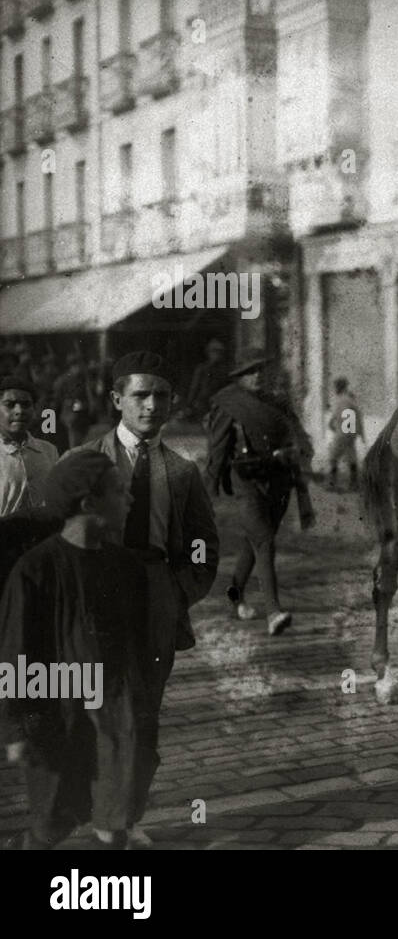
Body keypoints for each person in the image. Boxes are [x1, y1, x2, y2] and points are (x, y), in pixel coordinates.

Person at [70, 350, 219, 845]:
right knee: (109, 713)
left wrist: (179, 593)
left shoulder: (181, 471)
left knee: (146, 715)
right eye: (140, 395)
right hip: (98, 600)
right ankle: (105, 813)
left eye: (160, 396)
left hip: (156, 595)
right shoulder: (85, 462)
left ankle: (126, 816)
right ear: (117, 400)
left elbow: (202, 543)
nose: (151, 405)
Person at [1, 451, 150, 850]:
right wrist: (16, 727)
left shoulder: (125, 566)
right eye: (119, 492)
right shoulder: (34, 570)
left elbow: (138, 641)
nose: (129, 500)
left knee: (115, 807)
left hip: (114, 706)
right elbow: (15, 653)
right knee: (53, 817)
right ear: (88, 503)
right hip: (55, 705)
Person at [206, 348, 315, 635]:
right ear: (239, 378)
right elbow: (217, 451)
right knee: (264, 541)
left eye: (259, 370)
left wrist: (296, 451)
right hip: (247, 482)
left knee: (255, 542)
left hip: (279, 482)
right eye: (249, 372)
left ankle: (234, 593)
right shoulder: (228, 404)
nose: (256, 376)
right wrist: (207, 493)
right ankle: (274, 612)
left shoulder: (278, 402)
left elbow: (301, 438)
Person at [0, 375, 60, 517]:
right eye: (10, 404)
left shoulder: (48, 450)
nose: (19, 411)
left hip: (43, 535)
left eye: (26, 404)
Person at [327, 377, 365, 491]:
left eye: (336, 386)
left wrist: (333, 426)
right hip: (350, 432)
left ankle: (332, 483)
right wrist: (360, 434)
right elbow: (358, 417)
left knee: (333, 457)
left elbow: (336, 417)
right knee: (351, 457)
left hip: (343, 432)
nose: (335, 389)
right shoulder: (350, 400)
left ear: (340, 387)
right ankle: (354, 484)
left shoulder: (340, 400)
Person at [52, 352, 93, 450]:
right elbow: (57, 397)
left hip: (82, 413)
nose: (79, 367)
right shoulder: (63, 380)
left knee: (81, 439)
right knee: (73, 440)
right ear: (71, 365)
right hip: (70, 413)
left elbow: (87, 395)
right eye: (76, 364)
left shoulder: (83, 378)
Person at [184, 338, 228, 422]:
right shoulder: (202, 368)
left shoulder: (224, 370)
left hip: (219, 402)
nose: (217, 355)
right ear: (208, 353)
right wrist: (189, 403)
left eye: (219, 353)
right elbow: (194, 387)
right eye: (214, 352)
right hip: (203, 402)